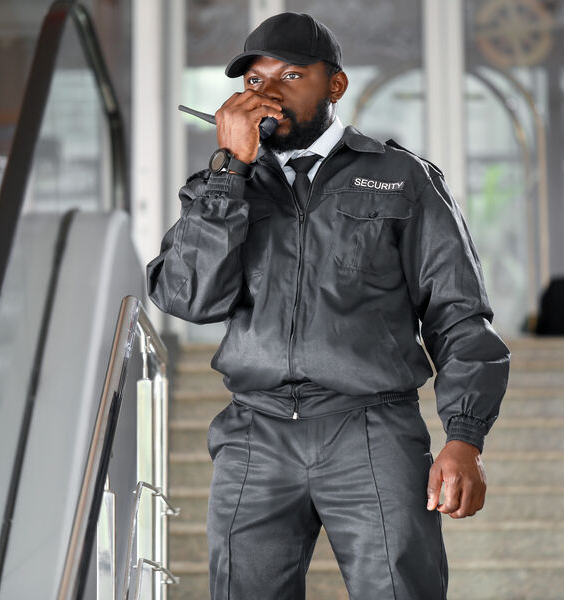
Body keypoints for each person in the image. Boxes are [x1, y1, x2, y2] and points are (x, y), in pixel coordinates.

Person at [147, 12, 510, 600]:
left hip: (371, 428)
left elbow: (460, 316)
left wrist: (464, 437)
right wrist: (230, 173)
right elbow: (186, 297)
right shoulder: (222, 185)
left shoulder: (402, 179)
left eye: (290, 74)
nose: (268, 93)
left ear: (334, 86)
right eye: (255, 81)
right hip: (254, 432)